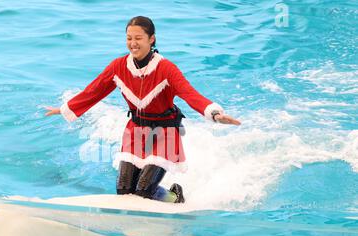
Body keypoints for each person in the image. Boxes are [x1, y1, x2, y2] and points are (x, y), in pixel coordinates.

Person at [45, 16, 241, 204]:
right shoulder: (119, 66)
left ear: (152, 39)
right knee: (124, 190)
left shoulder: (166, 69)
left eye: (138, 38)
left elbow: (189, 93)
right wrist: (65, 109)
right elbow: (94, 90)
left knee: (144, 190)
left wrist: (214, 113)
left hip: (164, 134)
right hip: (135, 133)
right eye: (129, 38)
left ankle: (175, 198)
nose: (133, 43)